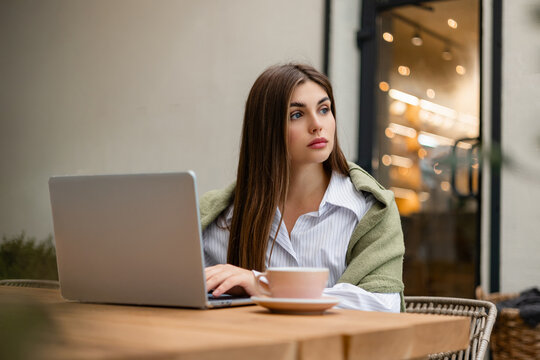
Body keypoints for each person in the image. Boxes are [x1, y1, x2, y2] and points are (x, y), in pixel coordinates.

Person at [200, 63, 405, 312]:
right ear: (266, 130)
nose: (317, 124)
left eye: (324, 109)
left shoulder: (371, 209)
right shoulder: (219, 216)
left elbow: (385, 304)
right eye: (296, 115)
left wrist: (267, 287)